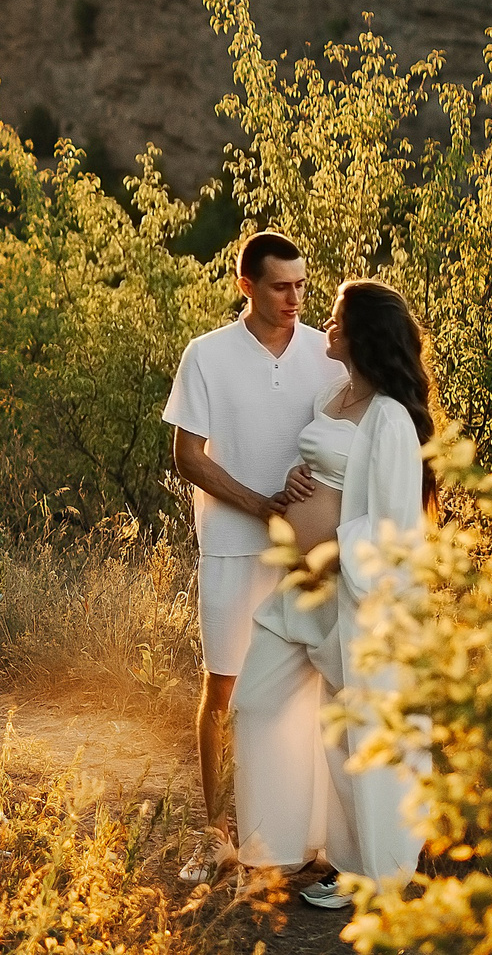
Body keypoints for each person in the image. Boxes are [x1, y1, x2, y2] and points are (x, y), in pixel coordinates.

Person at [231, 277, 436, 908]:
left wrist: (334, 551)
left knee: (356, 735)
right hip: (301, 589)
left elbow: (396, 522)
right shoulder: (331, 394)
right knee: (256, 701)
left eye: (340, 318)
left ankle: (366, 871)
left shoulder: (391, 418)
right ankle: (276, 846)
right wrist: (299, 476)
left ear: (363, 334)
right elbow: (325, 469)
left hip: (353, 595)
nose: (329, 324)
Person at [163, 230, 349, 884]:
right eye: (280, 286)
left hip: (305, 556)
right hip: (230, 546)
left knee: (304, 693)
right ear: (247, 285)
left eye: (301, 285)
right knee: (223, 684)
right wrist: (261, 506)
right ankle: (214, 834)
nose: (295, 298)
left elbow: (345, 442)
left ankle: (297, 832)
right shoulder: (207, 354)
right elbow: (188, 458)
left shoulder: (327, 357)